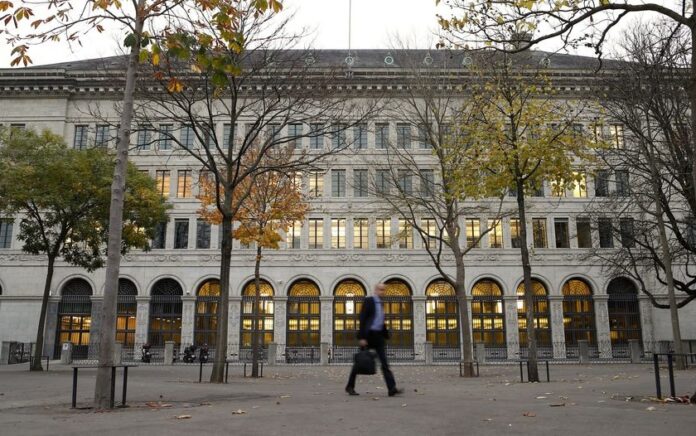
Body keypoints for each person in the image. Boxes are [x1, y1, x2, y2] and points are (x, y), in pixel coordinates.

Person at [345, 282, 403, 397]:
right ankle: (350, 386)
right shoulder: (369, 301)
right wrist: (362, 337)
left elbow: (380, 321)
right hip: (368, 336)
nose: (383, 292)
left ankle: (392, 388)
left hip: (379, 337)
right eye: (380, 290)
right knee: (359, 362)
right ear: (376, 290)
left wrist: (386, 334)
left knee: (385, 363)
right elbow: (362, 318)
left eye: (384, 290)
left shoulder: (381, 304)